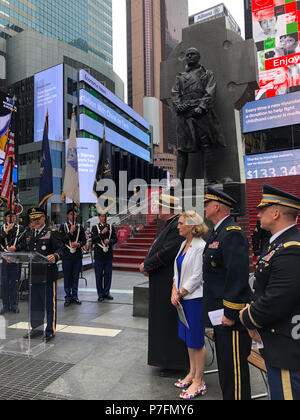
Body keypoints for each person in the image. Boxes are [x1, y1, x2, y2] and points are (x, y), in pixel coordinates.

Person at [240, 185, 300, 400]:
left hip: (286, 348)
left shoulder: (291, 248)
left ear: (276, 213)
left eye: (262, 209)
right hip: (277, 342)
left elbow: (278, 298)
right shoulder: (278, 244)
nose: (258, 214)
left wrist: (248, 317)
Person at [202, 187, 252, 400]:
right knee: (225, 369)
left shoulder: (232, 234)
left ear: (217, 207)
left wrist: (230, 313)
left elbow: (237, 276)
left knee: (234, 374)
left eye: (206, 204)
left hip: (229, 317)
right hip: (218, 312)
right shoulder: (217, 233)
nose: (204, 208)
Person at [140, 193, 189, 371]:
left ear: (168, 209)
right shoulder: (170, 224)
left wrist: (147, 265)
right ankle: (164, 359)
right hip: (161, 280)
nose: (157, 210)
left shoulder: (177, 225)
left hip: (167, 281)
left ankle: (171, 361)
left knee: (167, 321)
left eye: (160, 206)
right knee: (162, 321)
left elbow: (167, 252)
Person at [171, 47, 226, 182]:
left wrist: (201, 107)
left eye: (192, 54)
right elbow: (175, 93)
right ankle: (180, 180)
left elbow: (210, 92)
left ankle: (208, 178)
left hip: (200, 114)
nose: (189, 57)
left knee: (206, 144)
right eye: (187, 55)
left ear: (198, 57)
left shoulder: (207, 74)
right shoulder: (180, 77)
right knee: (182, 148)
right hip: (184, 114)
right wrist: (179, 106)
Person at [171, 211, 208, 399]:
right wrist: (173, 290)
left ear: (192, 226)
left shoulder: (201, 246)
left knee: (196, 340)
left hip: (194, 299)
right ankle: (192, 374)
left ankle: (199, 382)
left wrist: (181, 292)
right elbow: (177, 271)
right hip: (182, 298)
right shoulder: (183, 244)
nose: (178, 226)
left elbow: (198, 276)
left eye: (180, 223)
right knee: (187, 338)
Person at [24, 207, 63, 342]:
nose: (35, 221)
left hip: (47, 274)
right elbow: (24, 249)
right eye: (33, 219)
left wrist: (55, 256)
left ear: (44, 218)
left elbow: (61, 249)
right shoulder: (30, 232)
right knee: (35, 304)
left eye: (38, 219)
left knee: (49, 304)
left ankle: (50, 330)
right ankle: (36, 328)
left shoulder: (52, 232)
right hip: (34, 274)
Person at [59, 209, 87, 307]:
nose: (73, 216)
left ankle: (75, 296)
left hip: (77, 255)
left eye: (74, 214)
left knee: (75, 277)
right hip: (67, 255)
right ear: (67, 215)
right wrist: (70, 232)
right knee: (67, 277)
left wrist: (79, 244)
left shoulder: (80, 227)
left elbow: (84, 240)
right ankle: (67, 296)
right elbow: (61, 240)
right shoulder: (63, 227)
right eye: (71, 214)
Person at [0, 211, 25, 314]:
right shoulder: (1, 229)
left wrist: (16, 247)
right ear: (6, 218)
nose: (11, 218)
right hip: (4, 260)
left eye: (13, 216)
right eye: (9, 216)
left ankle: (14, 305)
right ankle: (5, 305)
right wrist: (6, 231)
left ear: (15, 217)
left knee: (14, 283)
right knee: (4, 283)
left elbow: (24, 243)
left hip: (16, 259)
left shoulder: (21, 228)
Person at [91, 213, 118, 302]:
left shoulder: (111, 227)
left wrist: (110, 241)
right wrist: (102, 233)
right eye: (102, 216)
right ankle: (100, 294)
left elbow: (115, 239)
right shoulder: (95, 228)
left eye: (105, 216)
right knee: (98, 275)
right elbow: (93, 239)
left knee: (108, 275)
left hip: (108, 255)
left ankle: (106, 292)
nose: (104, 218)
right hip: (99, 255)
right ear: (99, 217)